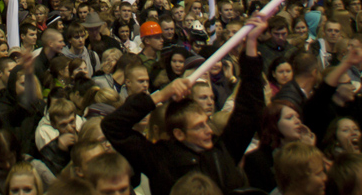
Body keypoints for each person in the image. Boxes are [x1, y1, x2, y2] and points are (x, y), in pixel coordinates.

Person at [101, 16, 267, 195]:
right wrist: (161, 95)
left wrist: (251, 43)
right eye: (199, 126)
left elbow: (248, 109)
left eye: (205, 122)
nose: (208, 130)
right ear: (179, 134)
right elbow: (113, 126)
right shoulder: (160, 160)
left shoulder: (221, 150)